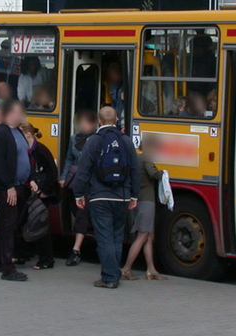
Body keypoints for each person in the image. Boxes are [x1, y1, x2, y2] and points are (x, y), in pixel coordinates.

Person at [74, 106, 140, 289]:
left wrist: (78, 194)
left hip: (99, 197)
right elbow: (135, 170)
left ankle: (110, 277)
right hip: (122, 196)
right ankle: (114, 272)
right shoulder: (126, 141)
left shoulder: (94, 141)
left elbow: (83, 170)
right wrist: (134, 195)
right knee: (117, 237)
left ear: (99, 121)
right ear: (117, 119)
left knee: (104, 238)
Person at [0, 99, 31, 282]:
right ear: (10, 113)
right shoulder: (0, 134)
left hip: (18, 186)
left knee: (6, 225)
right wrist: (8, 186)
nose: (22, 115)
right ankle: (7, 268)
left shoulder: (17, 131)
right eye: (19, 112)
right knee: (7, 227)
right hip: (8, 189)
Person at [120, 144, 166, 281]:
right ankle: (126, 269)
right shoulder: (146, 158)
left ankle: (151, 270)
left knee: (149, 236)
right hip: (147, 201)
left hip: (139, 200)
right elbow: (154, 174)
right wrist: (163, 172)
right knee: (142, 235)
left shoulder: (135, 158)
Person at [60, 109, 97, 266]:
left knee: (82, 213)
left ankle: (76, 250)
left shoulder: (96, 140)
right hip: (74, 181)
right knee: (73, 207)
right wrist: (63, 177)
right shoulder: (74, 139)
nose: (83, 126)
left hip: (88, 182)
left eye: (86, 123)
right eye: (81, 123)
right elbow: (69, 159)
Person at [20, 122, 58, 271]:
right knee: (26, 222)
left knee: (40, 225)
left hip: (41, 194)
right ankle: (25, 253)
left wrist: (45, 191)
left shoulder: (41, 150)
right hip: (30, 191)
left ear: (28, 134)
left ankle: (46, 259)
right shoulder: (26, 151)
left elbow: (52, 172)